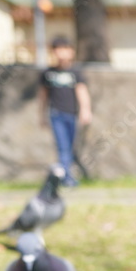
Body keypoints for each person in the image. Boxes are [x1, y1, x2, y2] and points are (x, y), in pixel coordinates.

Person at [39, 36, 92, 187]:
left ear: (71, 51)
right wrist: (41, 116)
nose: (61, 53)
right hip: (56, 114)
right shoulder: (48, 73)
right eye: (57, 49)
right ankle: (67, 178)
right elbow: (43, 96)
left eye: (64, 49)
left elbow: (82, 92)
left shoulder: (75, 72)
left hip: (72, 114)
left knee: (70, 147)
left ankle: (65, 174)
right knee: (62, 147)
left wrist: (85, 110)